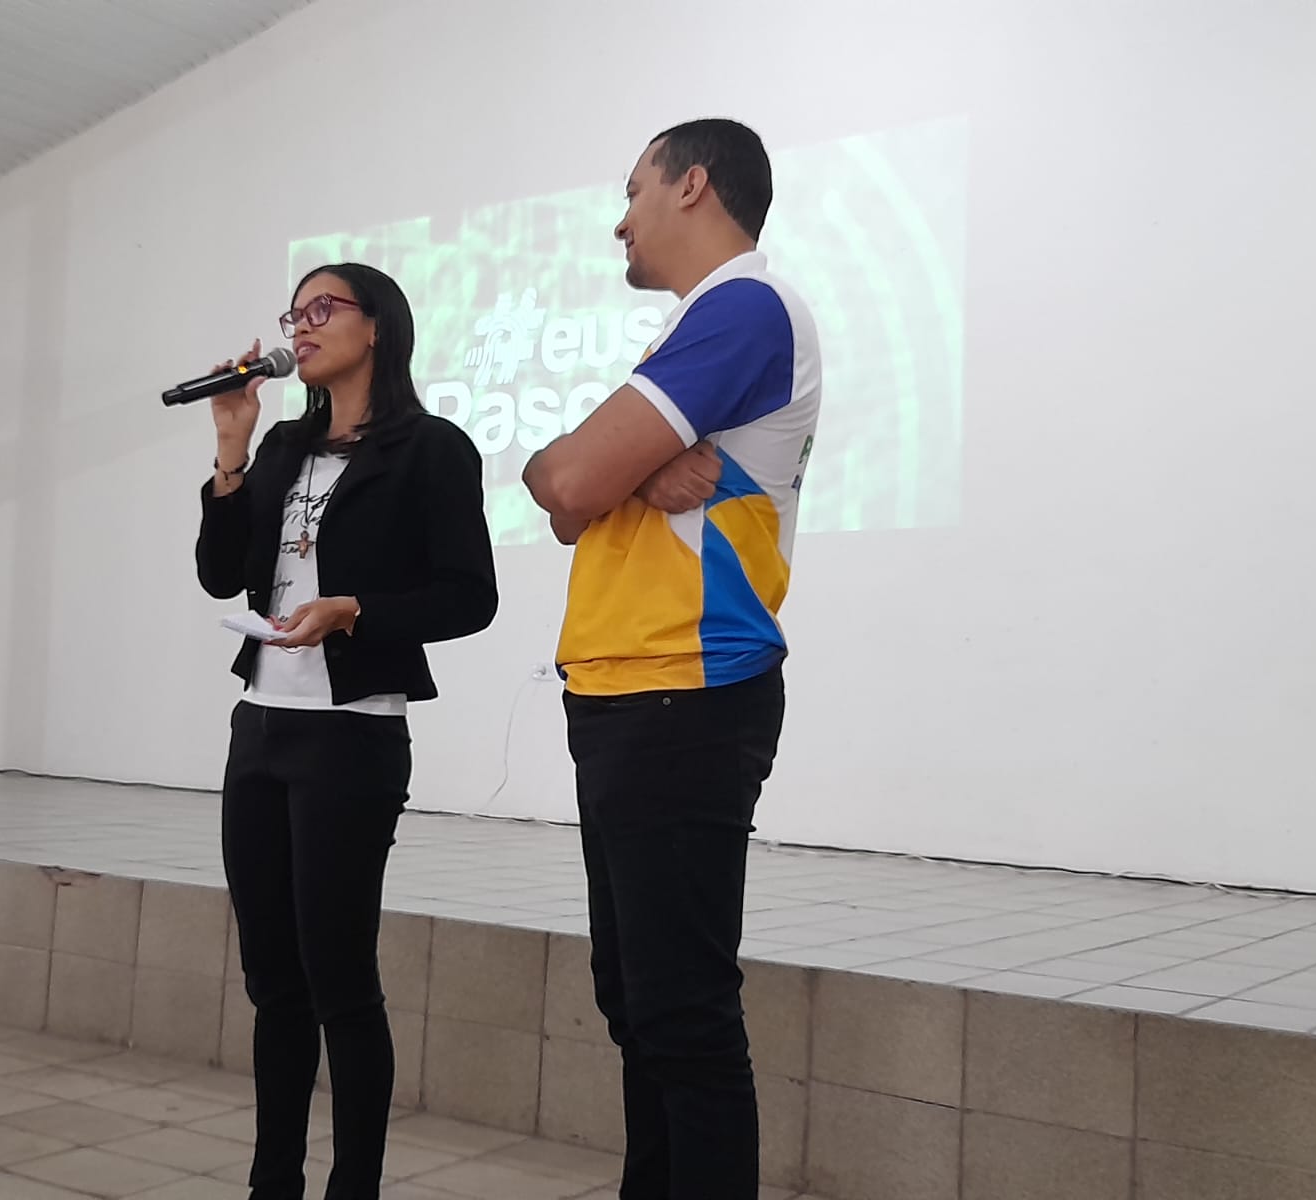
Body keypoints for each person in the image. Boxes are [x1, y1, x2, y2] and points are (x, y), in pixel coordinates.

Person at [522, 118, 821, 1199]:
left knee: (682, 1014)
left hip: (686, 690)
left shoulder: (746, 304)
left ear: (692, 184)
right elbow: (554, 484)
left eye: (633, 190)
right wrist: (627, 472)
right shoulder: (695, 326)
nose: (621, 220)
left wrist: (599, 471)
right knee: (636, 1003)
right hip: (623, 688)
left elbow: (568, 484)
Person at [196, 263, 497, 1200]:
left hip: (351, 736)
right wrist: (232, 450)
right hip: (261, 729)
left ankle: (352, 1187)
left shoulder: (431, 449)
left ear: (377, 327)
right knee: (272, 983)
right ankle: (272, 1183)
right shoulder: (282, 446)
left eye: (323, 309)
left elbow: (470, 597)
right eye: (295, 313)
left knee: (339, 982)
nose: (303, 325)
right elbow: (221, 575)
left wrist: (355, 610)